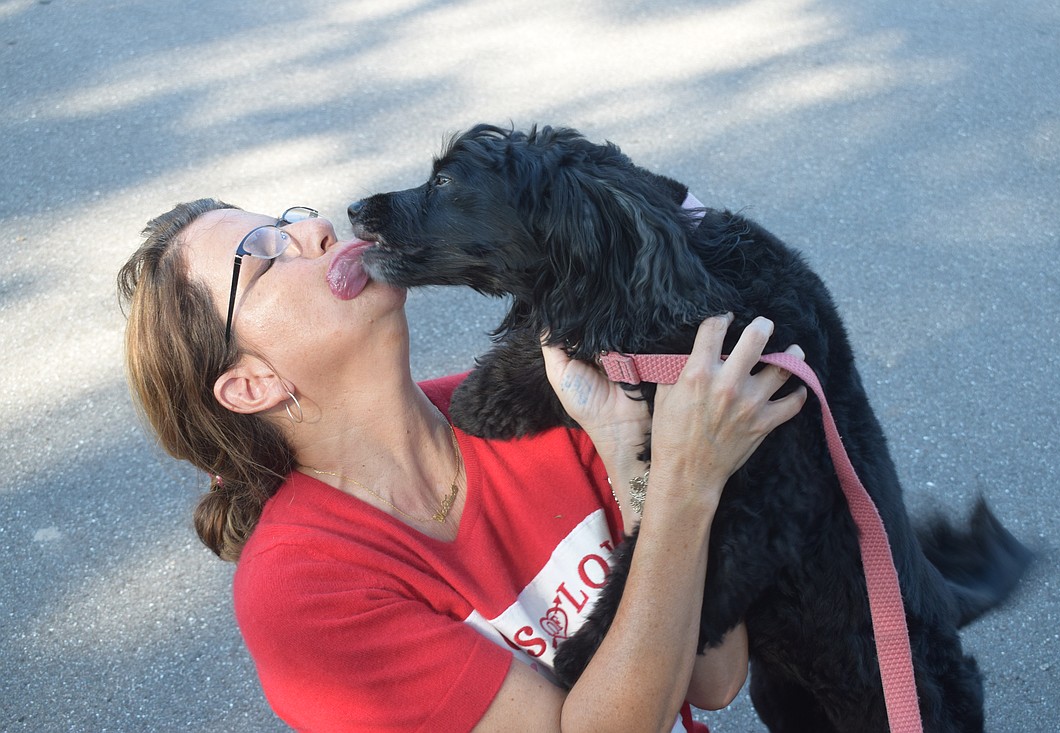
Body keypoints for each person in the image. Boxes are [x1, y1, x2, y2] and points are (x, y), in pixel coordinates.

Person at [117, 198, 807, 733]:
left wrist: (636, 461)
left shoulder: (526, 399)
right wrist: (685, 484)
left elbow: (715, 677)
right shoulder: (299, 591)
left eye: (292, 220)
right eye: (266, 253)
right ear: (251, 385)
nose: (319, 230)